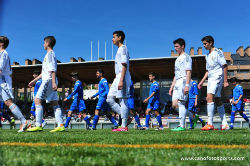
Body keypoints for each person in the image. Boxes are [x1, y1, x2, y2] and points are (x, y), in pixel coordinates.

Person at [27, 36, 64, 132]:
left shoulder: (50, 54)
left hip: (48, 80)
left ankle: (38, 124)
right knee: (54, 103)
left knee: (37, 100)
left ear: (47, 43)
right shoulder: (49, 54)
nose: (43, 45)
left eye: (44, 43)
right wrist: (34, 81)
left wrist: (53, 83)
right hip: (50, 79)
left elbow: (52, 69)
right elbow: (44, 72)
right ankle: (60, 125)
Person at [198, 35, 229, 130]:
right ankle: (225, 123)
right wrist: (201, 82)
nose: (204, 46)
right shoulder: (207, 55)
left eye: (205, 43)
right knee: (217, 99)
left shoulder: (218, 52)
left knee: (209, 97)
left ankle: (210, 123)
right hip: (211, 79)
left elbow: (224, 65)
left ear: (210, 43)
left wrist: (225, 80)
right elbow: (208, 71)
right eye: (203, 44)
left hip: (217, 77)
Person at [0, 36, 28, 132]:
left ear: (2, 43)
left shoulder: (3, 54)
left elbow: (0, 70)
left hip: (3, 81)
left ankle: (24, 121)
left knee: (8, 103)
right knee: (7, 103)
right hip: (2, 81)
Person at [106, 31, 131, 132]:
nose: (112, 39)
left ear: (119, 38)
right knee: (109, 99)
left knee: (122, 100)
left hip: (123, 77)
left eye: (113, 37)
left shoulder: (123, 48)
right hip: (117, 77)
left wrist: (121, 80)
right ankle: (126, 116)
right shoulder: (119, 50)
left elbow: (124, 65)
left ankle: (124, 126)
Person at [169, 38, 192, 131]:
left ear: (182, 46)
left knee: (181, 103)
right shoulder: (177, 59)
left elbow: (188, 72)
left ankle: (181, 126)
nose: (175, 48)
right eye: (174, 46)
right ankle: (193, 116)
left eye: (177, 46)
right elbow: (176, 74)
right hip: (177, 81)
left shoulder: (186, 57)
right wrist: (171, 86)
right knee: (174, 105)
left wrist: (187, 85)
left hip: (183, 80)